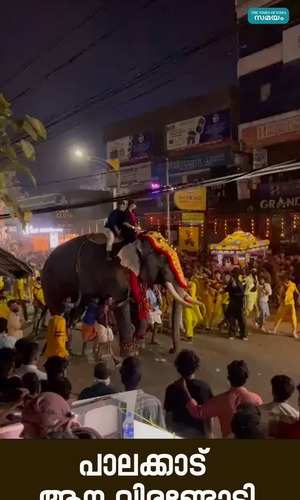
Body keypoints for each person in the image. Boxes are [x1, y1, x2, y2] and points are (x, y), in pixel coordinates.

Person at [180, 360, 263, 437]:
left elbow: (198, 412)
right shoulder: (257, 399)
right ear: (246, 378)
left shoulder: (221, 401)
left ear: (228, 378)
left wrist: (184, 389)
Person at [164, 350, 213, 438]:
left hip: (178, 432)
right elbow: (208, 417)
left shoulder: (171, 389)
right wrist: (210, 434)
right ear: (196, 367)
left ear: (178, 367)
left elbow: (168, 416)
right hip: (198, 434)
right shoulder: (204, 388)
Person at [120, 356, 165, 428]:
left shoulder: (116, 405)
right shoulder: (155, 402)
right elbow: (162, 432)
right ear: (140, 378)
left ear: (122, 377)